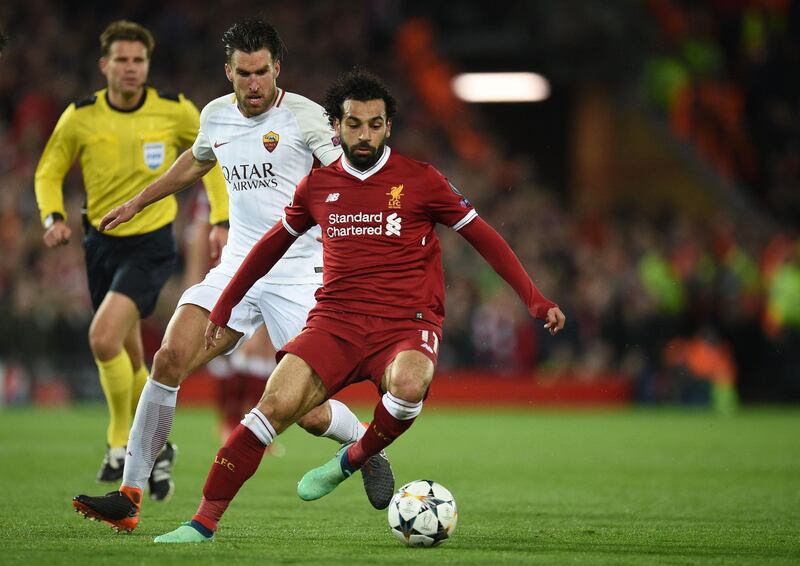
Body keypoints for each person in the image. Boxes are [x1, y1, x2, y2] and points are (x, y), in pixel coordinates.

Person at [153, 69, 566, 543]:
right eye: (353, 124)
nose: (364, 134)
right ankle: (201, 524)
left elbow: (482, 235)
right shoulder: (317, 187)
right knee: (274, 406)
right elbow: (269, 246)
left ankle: (353, 457)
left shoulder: (421, 180)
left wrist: (534, 298)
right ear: (335, 126)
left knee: (411, 382)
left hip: (405, 325)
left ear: (388, 126)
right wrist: (225, 303)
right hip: (335, 323)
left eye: (374, 124)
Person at [71, 20, 394, 533]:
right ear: (229, 72)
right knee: (169, 357)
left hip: (298, 272)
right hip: (239, 266)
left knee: (308, 413)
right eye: (243, 73)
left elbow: (352, 180)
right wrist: (137, 202)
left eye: (262, 71)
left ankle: (366, 447)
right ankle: (129, 496)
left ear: (276, 69)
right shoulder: (216, 115)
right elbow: (194, 161)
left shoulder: (307, 117)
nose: (253, 83)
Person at [34, 20, 229, 500]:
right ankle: (157, 447)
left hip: (152, 242)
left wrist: (221, 218)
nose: (130, 68)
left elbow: (213, 157)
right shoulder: (80, 116)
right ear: (105, 65)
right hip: (99, 243)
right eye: (121, 60)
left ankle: (120, 442)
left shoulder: (175, 111)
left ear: (147, 65)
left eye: (138, 60)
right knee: (127, 352)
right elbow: (48, 170)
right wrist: (51, 217)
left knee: (102, 337)